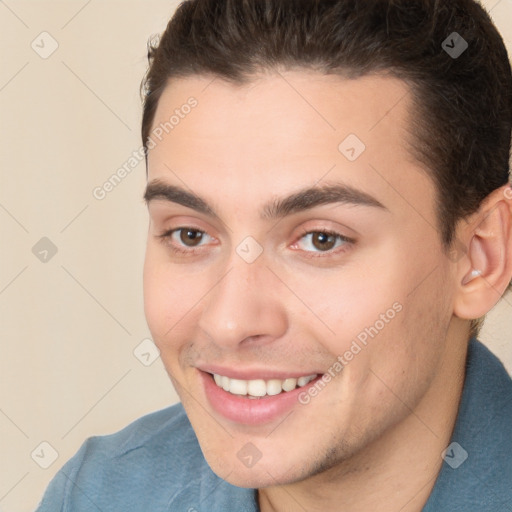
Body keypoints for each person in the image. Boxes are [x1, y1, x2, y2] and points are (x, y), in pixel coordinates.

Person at [36, 0, 512, 510]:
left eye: (321, 239)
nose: (229, 322)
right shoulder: (97, 494)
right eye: (190, 235)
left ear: (479, 257)